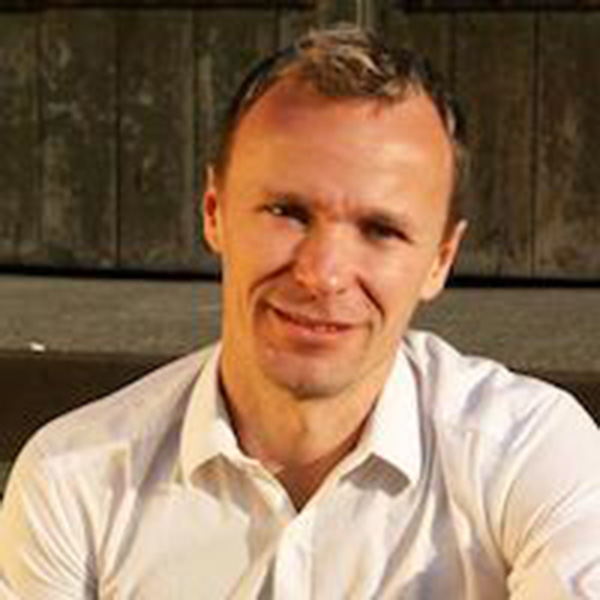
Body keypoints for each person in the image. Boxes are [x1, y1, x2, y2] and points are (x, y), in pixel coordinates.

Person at [1, 24, 599, 600]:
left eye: (381, 229)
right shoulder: (72, 480)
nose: (323, 274)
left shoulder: (532, 452)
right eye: (286, 212)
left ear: (441, 259)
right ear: (214, 212)